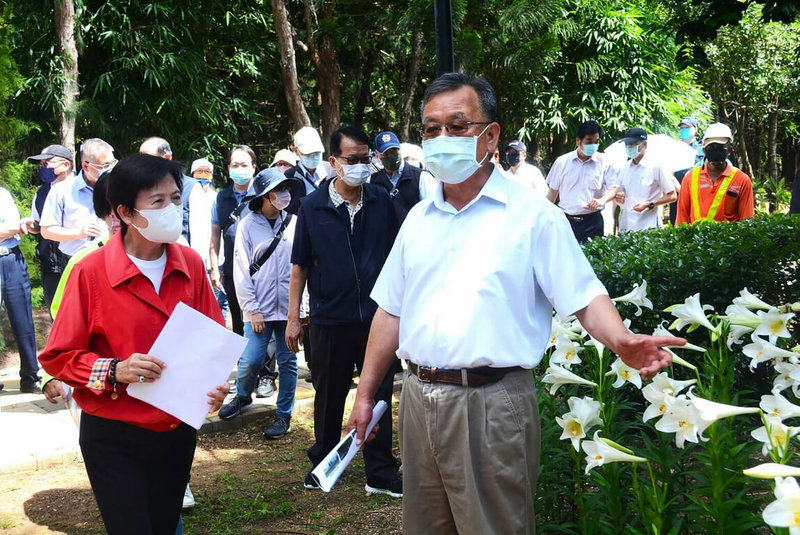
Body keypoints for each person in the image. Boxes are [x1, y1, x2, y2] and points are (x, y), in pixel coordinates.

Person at [346, 72, 681, 535]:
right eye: (431, 129)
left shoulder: (533, 217)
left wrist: (621, 339)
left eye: (458, 126)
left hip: (492, 403)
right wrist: (365, 395)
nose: (443, 138)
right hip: (419, 399)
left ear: (491, 135)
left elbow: (583, 296)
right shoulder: (419, 219)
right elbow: (391, 312)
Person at [39, 154, 228, 535]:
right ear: (125, 212)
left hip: (175, 430)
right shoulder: (90, 272)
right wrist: (115, 370)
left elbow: (213, 336)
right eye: (157, 202)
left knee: (164, 525)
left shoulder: (190, 264)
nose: (171, 209)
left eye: (175, 198)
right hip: (114, 432)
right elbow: (58, 356)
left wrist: (215, 386)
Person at [286, 126, 402, 497]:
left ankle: (380, 472)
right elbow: (300, 265)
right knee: (329, 393)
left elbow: (400, 257)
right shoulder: (312, 206)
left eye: (366, 158)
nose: (361, 166)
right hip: (329, 319)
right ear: (333, 162)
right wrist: (294, 317)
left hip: (375, 319)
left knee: (380, 392)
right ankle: (323, 460)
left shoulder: (383, 201)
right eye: (352, 160)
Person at [218, 169, 304, 440]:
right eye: (279, 190)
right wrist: (251, 308)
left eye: (287, 189)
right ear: (266, 195)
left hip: (289, 308)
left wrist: (302, 309)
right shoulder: (247, 225)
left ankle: (284, 415)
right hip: (259, 308)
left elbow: (304, 267)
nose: (285, 195)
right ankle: (243, 396)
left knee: (288, 362)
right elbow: (241, 270)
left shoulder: (294, 223)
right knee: (251, 359)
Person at [209, 145, 257, 337]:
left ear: (254, 167)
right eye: (235, 165)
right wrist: (214, 268)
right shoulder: (221, 198)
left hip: (261, 271)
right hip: (231, 271)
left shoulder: (263, 195)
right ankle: (243, 364)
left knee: (264, 322)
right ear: (228, 168)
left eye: (244, 165)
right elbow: (214, 235)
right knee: (238, 322)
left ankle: (266, 367)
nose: (239, 169)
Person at [40, 138, 116, 257]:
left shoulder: (119, 187)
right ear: (86, 166)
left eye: (113, 163)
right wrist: (78, 233)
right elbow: (47, 231)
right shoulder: (61, 191)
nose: (111, 168)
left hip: (112, 255)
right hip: (76, 258)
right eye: (105, 165)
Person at [546, 120, 619, 242]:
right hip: (566, 221)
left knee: (593, 258)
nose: (593, 145)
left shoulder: (604, 161)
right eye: (589, 141)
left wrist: (602, 200)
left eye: (596, 142)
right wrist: (544, 214)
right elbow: (552, 193)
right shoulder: (562, 162)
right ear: (578, 141)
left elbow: (615, 187)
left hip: (593, 222)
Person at [21, 144, 73, 308]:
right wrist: (31, 225)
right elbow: (38, 225)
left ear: (65, 164)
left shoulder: (82, 190)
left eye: (47, 163)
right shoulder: (42, 192)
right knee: (55, 311)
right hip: (50, 264)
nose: (43, 168)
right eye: (41, 165)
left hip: (75, 260)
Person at [0, 185, 40, 393]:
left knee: (23, 320)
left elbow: (22, 227)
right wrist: (16, 227)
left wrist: (17, 226)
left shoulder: (4, 193)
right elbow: (18, 226)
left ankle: (30, 376)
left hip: (12, 259)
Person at [675, 123, 754, 224]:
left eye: (721, 148)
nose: (716, 151)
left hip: (729, 239)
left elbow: (747, 222)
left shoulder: (742, 180)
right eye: (711, 148)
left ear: (730, 150)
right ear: (704, 150)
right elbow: (682, 219)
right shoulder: (690, 177)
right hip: (696, 238)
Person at [614, 128, 677, 232]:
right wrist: (618, 197)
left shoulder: (656, 167)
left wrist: (650, 204)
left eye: (633, 144)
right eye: (627, 144)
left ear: (644, 145)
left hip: (648, 227)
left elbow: (672, 195)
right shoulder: (623, 168)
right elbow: (618, 195)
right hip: (626, 226)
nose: (629, 147)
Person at [139, 137, 198, 242]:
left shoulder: (192, 187)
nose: (142, 163)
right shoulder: (141, 186)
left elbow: (200, 233)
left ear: (167, 158)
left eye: (176, 197)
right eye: (140, 157)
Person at [369, 130, 431, 225]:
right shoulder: (372, 181)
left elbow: (432, 211)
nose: (391, 156)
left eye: (394, 152)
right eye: (385, 154)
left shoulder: (421, 177)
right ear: (377, 155)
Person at [669, 117, 705, 226]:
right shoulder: (674, 149)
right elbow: (669, 172)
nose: (684, 130)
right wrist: (681, 190)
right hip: (678, 193)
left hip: (698, 193)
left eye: (687, 127)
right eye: (682, 128)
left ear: (695, 128)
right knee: (677, 223)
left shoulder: (702, 149)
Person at [287, 126, 330, 196]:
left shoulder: (333, 171)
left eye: (316, 153)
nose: (313, 157)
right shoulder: (289, 177)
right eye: (308, 154)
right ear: (296, 151)